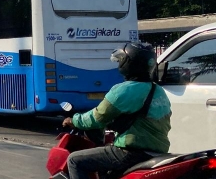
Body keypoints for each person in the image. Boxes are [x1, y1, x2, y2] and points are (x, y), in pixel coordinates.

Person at [63, 43, 172, 179]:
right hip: (157, 151)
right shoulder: (158, 91)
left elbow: (97, 117)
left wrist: (74, 120)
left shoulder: (125, 90)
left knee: (75, 160)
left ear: (129, 63)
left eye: (122, 60)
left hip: (131, 153)